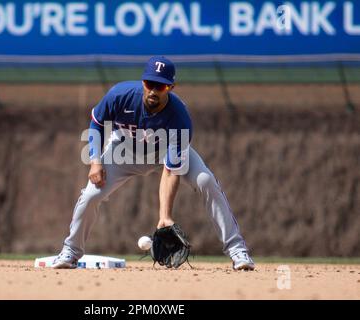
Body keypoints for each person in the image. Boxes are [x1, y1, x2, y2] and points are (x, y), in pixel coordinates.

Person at [52, 56, 255, 271]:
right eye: (150, 84)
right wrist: (95, 161)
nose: (153, 90)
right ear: (143, 82)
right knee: (92, 194)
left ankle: (237, 250)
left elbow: (170, 172)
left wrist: (164, 217)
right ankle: (70, 252)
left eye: (161, 86)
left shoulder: (179, 117)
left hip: (163, 153)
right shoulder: (120, 95)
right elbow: (97, 124)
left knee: (206, 181)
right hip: (124, 151)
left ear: (171, 87)